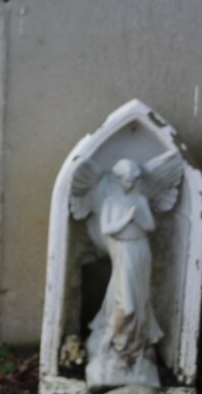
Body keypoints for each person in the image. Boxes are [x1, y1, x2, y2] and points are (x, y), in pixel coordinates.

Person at [86, 158, 162, 387]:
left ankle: (133, 351)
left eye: (133, 180)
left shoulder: (140, 200)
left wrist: (139, 218)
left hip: (140, 251)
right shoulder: (111, 201)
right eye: (126, 180)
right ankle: (111, 345)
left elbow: (150, 226)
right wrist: (126, 219)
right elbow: (107, 228)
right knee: (125, 304)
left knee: (139, 303)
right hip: (123, 252)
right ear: (118, 179)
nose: (129, 184)